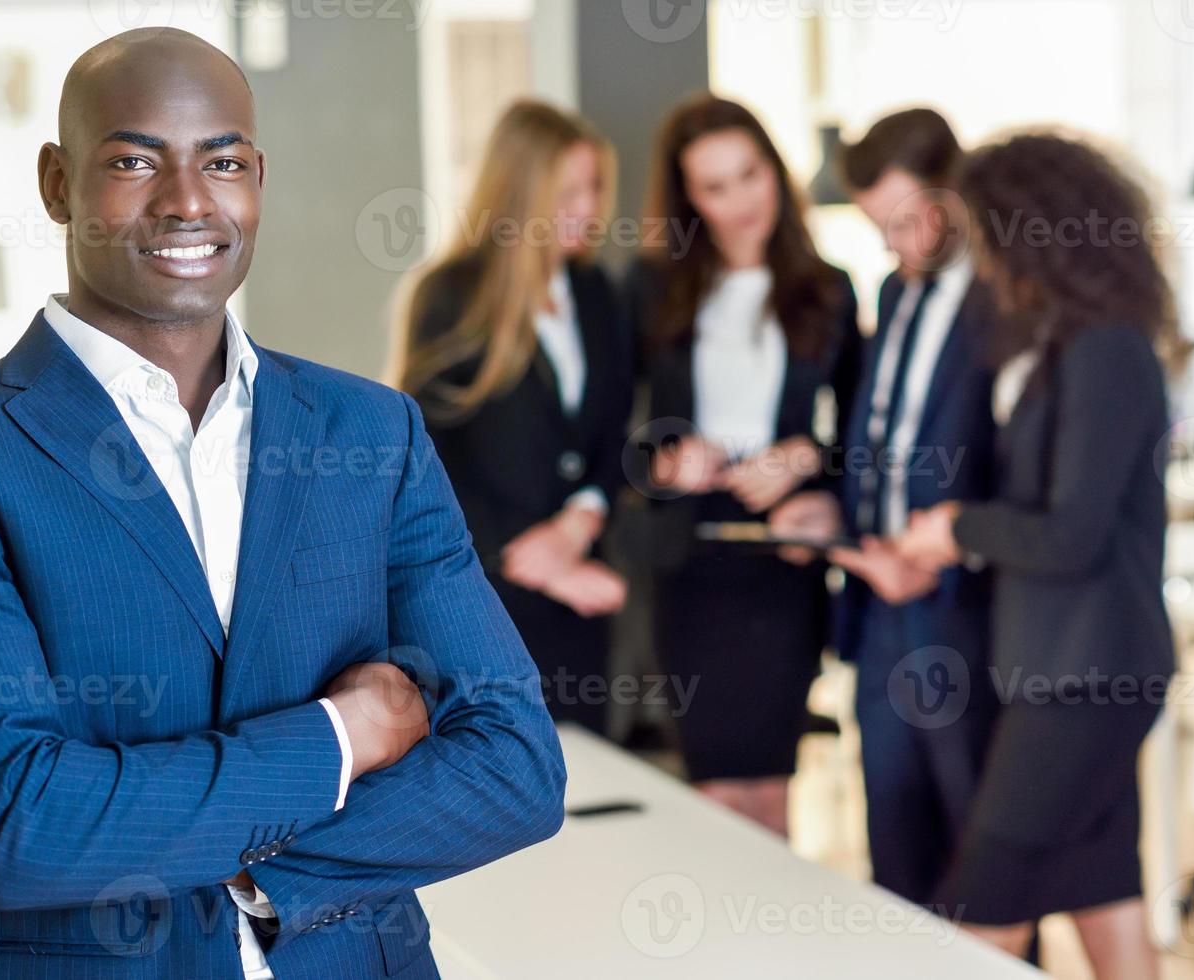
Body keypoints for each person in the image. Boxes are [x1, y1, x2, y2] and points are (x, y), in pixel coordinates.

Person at [0, 29, 565, 980]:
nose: (187, 201)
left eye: (221, 161)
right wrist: (341, 736)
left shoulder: (368, 434)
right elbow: (22, 829)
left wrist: (259, 874)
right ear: (58, 184)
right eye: (134, 160)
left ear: (257, 178)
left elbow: (515, 767)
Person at [896, 132, 1180, 980]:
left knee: (984, 901)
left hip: (1087, 677)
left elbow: (1069, 534)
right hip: (1064, 669)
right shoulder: (1064, 346)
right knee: (1103, 890)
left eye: (983, 234)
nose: (978, 259)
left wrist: (955, 529)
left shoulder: (1106, 351)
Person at [769, 108, 999, 903]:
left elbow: (1023, 477)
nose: (891, 245)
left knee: (980, 868)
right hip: (876, 615)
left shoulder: (1005, 302)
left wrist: (945, 550)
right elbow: (880, 440)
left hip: (967, 615)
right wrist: (832, 513)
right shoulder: (892, 296)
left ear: (952, 200)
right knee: (894, 863)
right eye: (879, 227)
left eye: (902, 223)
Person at [625, 94, 862, 835]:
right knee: (718, 793)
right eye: (713, 187)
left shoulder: (826, 288)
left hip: (783, 562)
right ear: (687, 195)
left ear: (774, 169)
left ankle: (774, 949)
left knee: (773, 788)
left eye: (747, 176)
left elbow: (860, 438)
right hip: (691, 566)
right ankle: (726, 948)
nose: (737, 203)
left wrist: (806, 459)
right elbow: (616, 441)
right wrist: (664, 464)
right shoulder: (651, 289)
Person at [391, 100, 633, 734]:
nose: (588, 207)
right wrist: (537, 561)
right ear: (523, 192)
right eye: (569, 190)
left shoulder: (597, 293)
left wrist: (578, 526)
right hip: (482, 601)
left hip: (581, 595)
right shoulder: (448, 296)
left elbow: (613, 439)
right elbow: (426, 462)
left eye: (595, 187)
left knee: (586, 786)